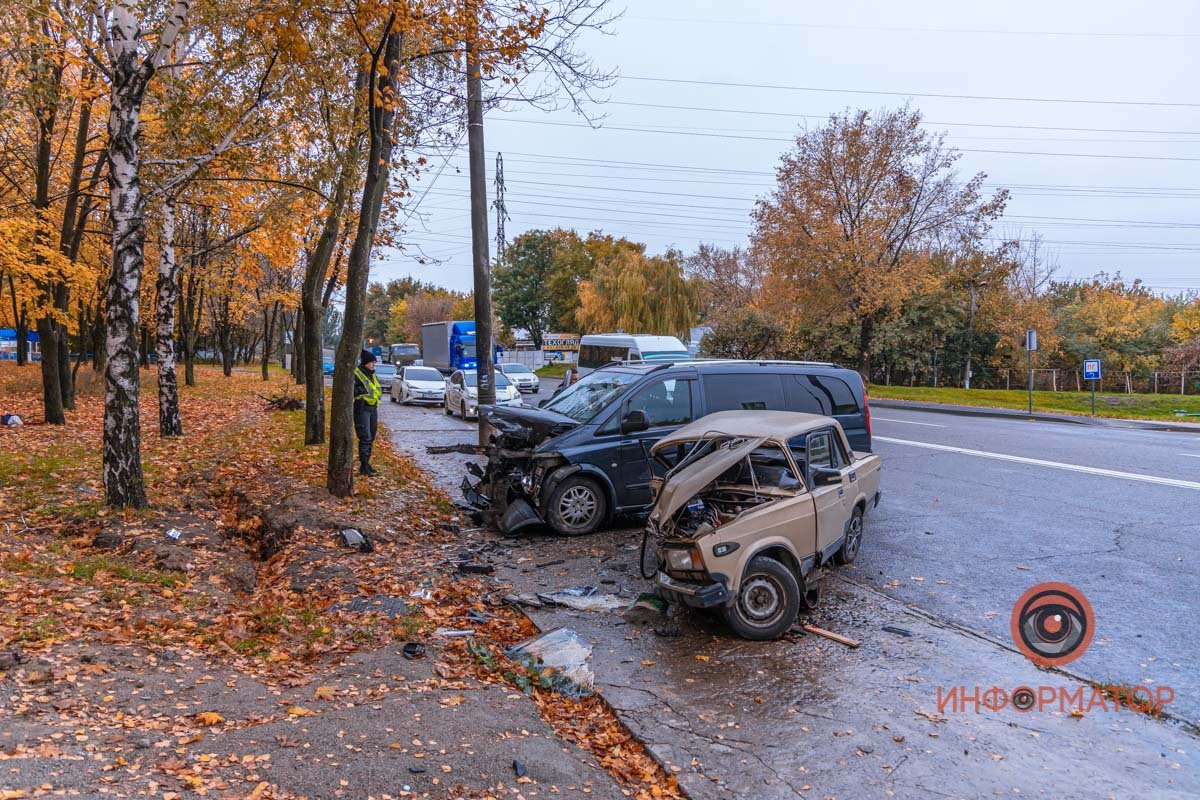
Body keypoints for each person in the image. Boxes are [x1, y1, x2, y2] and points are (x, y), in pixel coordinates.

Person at [353, 349, 382, 476]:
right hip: (362, 409)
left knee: (371, 438)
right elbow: (354, 390)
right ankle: (364, 466)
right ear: (365, 363)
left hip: (372, 409)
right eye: (372, 362)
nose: (373, 365)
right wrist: (360, 393)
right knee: (365, 437)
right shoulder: (357, 374)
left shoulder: (372, 374)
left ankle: (367, 464)